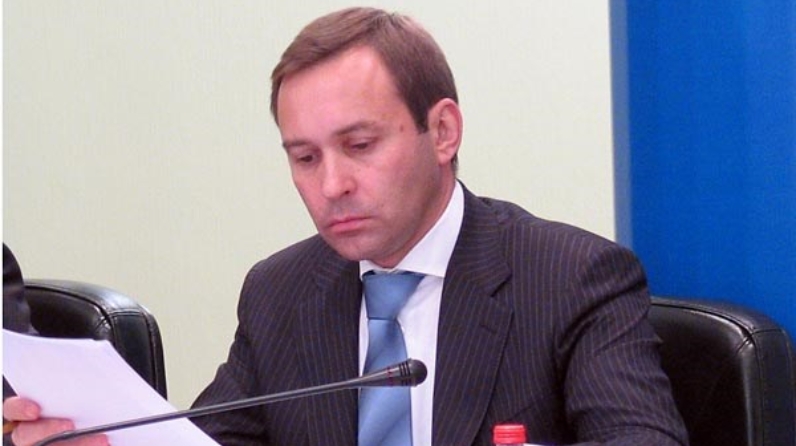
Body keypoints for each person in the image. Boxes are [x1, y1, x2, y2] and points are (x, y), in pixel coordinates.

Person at [2, 7, 688, 446]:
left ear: (443, 131)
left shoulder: (570, 277)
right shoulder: (281, 293)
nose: (331, 185)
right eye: (304, 158)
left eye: (359, 145)